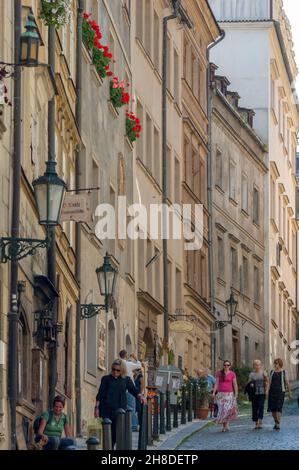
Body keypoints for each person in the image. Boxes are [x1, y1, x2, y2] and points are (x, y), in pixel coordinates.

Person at [94, 359, 144, 448]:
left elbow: (134, 390)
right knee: (107, 433)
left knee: (117, 434)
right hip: (106, 410)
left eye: (118, 370)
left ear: (122, 370)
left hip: (120, 411)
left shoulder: (126, 380)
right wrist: (96, 408)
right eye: (113, 369)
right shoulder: (106, 379)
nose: (115, 372)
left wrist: (140, 396)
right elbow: (100, 394)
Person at [119, 350, 142, 431]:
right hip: (129, 387)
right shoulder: (128, 363)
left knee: (122, 406)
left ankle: (124, 424)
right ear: (126, 356)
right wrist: (135, 357)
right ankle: (134, 425)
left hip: (120, 387)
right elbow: (139, 365)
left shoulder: (117, 362)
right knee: (132, 406)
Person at [213, 360, 238, 432]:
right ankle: (224, 426)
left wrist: (236, 393)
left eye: (228, 365)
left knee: (227, 410)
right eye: (225, 365)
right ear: (223, 366)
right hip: (220, 394)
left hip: (229, 394)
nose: (226, 366)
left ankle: (227, 425)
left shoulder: (232, 374)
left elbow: (235, 384)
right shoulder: (219, 373)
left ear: (230, 366)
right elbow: (216, 383)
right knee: (222, 410)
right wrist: (214, 392)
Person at [267, 358, 292, 430]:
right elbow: (269, 382)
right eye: (275, 363)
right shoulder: (272, 372)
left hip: (281, 392)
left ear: (280, 364)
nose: (275, 365)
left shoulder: (284, 372)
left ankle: (278, 424)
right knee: (273, 409)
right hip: (272, 392)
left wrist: (290, 392)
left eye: (277, 363)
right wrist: (267, 391)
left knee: (278, 408)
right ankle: (276, 421)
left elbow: (287, 383)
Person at [246, 360, 269, 430]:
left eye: (258, 365)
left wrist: (267, 391)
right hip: (254, 393)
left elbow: (267, 382)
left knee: (261, 407)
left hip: (262, 392)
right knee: (255, 408)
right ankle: (256, 422)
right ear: (253, 366)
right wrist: (251, 384)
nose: (257, 366)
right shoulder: (251, 374)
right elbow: (248, 384)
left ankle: (260, 421)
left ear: (260, 365)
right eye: (255, 365)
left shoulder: (263, 373)